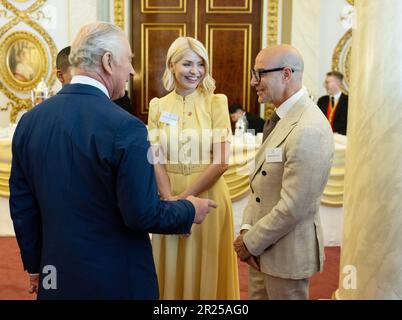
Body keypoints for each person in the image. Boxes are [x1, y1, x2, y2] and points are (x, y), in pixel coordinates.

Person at [9, 22, 217, 300]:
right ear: (108, 61)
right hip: (116, 279)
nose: (132, 71)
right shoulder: (126, 128)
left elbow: (23, 205)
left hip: (55, 275)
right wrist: (190, 210)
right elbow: (141, 213)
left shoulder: (30, 121)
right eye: (129, 60)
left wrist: (36, 266)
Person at [233, 45, 334, 300]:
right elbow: (260, 186)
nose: (254, 81)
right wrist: (247, 229)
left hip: (286, 255)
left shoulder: (308, 127)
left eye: (260, 73)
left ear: (286, 74)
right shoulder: (280, 116)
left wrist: (250, 242)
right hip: (262, 250)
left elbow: (294, 206)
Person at [148, 36, 240, 299]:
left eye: (201, 64)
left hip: (208, 196)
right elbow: (155, 157)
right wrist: (169, 200)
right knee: (171, 269)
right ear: (172, 65)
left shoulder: (216, 102)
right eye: (187, 64)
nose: (195, 71)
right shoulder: (158, 106)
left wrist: (185, 200)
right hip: (168, 195)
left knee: (207, 268)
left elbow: (221, 161)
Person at [56, 45, 132, 111]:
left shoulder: (119, 99)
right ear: (60, 76)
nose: (84, 76)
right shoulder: (51, 108)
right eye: (76, 73)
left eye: (87, 70)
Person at [317, 71, 348, 135]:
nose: (324, 85)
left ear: (338, 83)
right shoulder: (321, 100)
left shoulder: (348, 101)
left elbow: (350, 126)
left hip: (340, 140)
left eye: (327, 82)